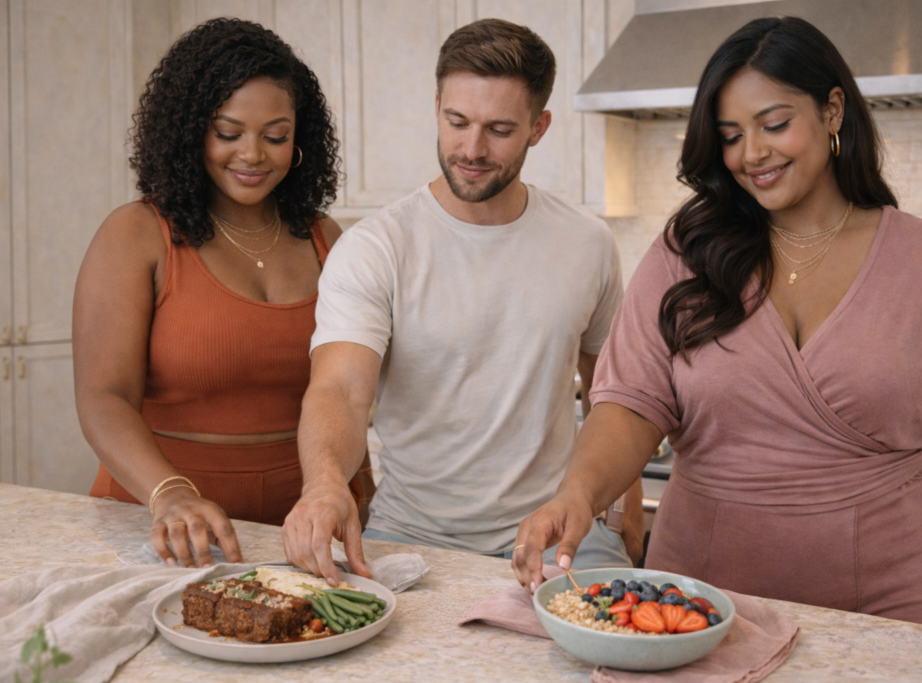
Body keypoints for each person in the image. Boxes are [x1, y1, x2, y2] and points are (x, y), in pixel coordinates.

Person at [513, 16, 922, 635]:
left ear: (833, 111)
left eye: (775, 124)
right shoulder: (684, 252)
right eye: (730, 135)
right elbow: (630, 406)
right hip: (700, 596)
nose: (752, 153)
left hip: (903, 597)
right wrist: (578, 494)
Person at [281, 18, 643, 582]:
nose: (471, 149)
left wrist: (622, 501)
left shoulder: (587, 243)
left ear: (538, 127)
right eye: (457, 122)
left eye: (499, 129)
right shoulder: (377, 247)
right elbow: (341, 392)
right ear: (437, 106)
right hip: (409, 534)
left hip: (557, 531)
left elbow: (612, 390)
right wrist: (325, 482)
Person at [73, 18, 373, 569]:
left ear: (299, 139)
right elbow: (103, 398)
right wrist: (169, 493)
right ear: (191, 132)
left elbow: (350, 392)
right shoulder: (137, 234)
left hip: (300, 533)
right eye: (228, 133)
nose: (253, 154)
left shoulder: (326, 240)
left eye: (276, 135)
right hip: (166, 527)